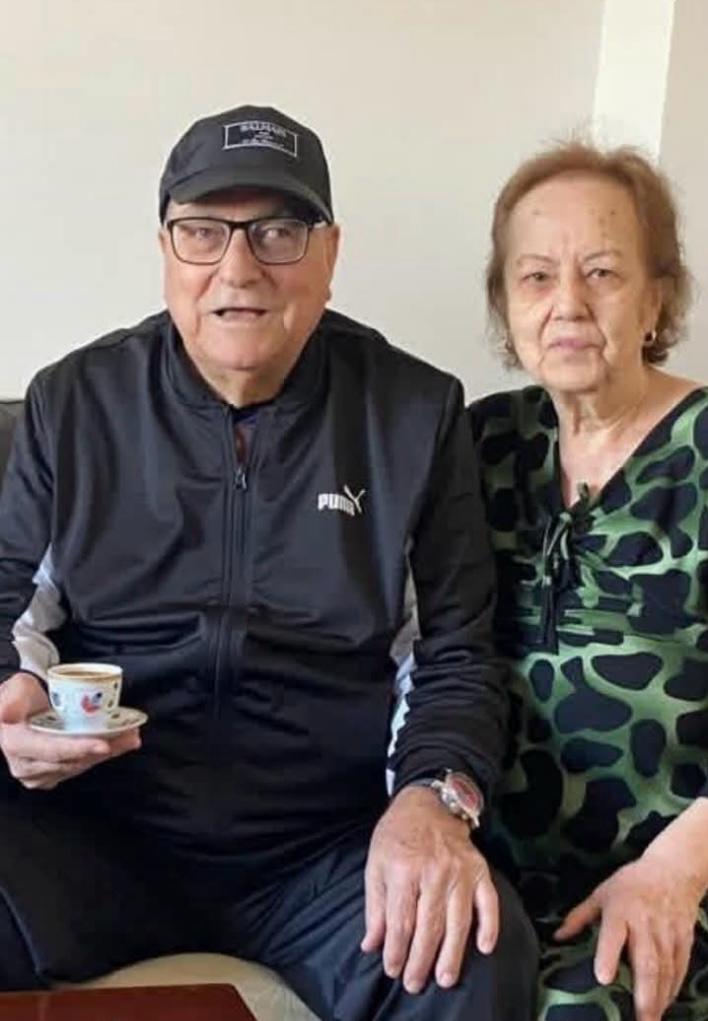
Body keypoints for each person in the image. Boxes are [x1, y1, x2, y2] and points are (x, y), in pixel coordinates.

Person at [0, 104, 537, 1020]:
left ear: (330, 253)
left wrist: (432, 800)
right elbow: (8, 601)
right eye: (203, 232)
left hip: (319, 857)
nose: (238, 268)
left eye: (278, 232)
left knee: (476, 954)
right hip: (92, 832)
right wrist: (9, 698)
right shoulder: (75, 404)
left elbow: (453, 653)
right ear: (166, 250)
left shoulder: (413, 415)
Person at [470, 141, 708, 1021]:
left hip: (676, 875)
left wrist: (677, 868)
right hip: (494, 874)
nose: (567, 303)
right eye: (536, 276)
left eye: (602, 272)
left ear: (657, 298)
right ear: (506, 305)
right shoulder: (484, 443)